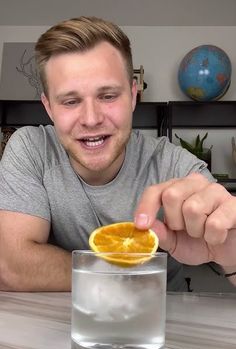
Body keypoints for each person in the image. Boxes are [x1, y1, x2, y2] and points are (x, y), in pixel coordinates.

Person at [0, 16, 236, 292]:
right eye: (71, 101)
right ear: (49, 107)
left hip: (155, 324)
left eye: (108, 96)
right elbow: (12, 266)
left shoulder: (175, 166)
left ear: (133, 96)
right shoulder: (30, 148)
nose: (90, 119)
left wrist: (231, 256)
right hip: (59, 326)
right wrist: (123, 276)